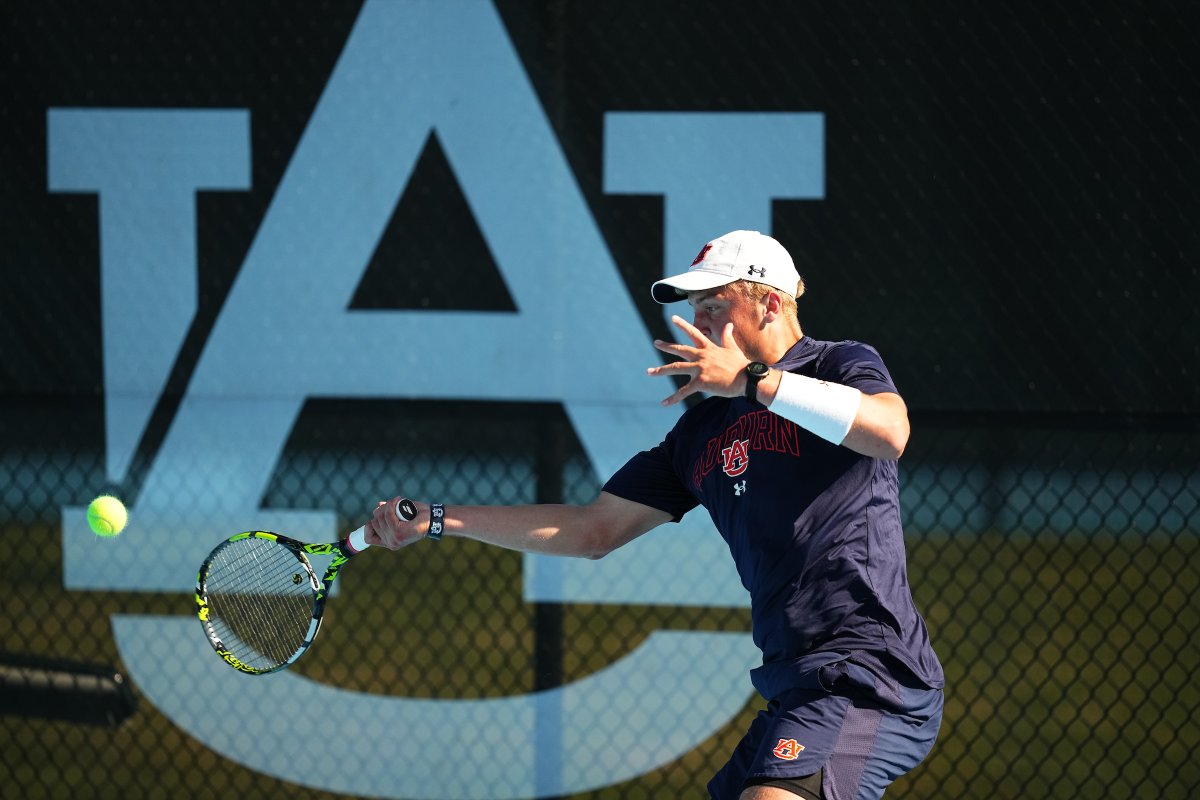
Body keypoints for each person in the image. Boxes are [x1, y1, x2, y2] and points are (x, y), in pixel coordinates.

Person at [366, 230, 944, 800]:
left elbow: (890, 431)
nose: (699, 327)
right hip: (796, 682)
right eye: (695, 310)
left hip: (871, 672)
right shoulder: (698, 435)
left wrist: (752, 382)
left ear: (770, 304)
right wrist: (440, 518)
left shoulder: (840, 365)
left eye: (715, 307)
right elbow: (594, 529)